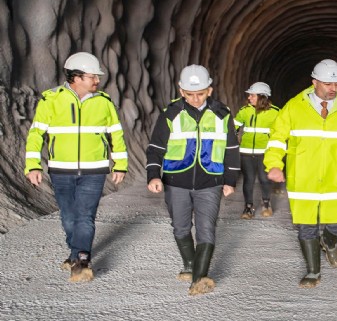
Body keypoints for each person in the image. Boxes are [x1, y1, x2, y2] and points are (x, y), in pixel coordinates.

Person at [264, 59, 337, 288]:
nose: (333, 88)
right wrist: (273, 164)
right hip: (304, 176)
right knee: (306, 225)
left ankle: (329, 243)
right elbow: (277, 138)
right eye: (328, 84)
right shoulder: (294, 107)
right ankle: (313, 271)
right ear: (314, 82)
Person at [24, 51, 128, 282]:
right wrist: (33, 166)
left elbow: (116, 136)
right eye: (93, 76)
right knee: (69, 217)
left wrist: (120, 164)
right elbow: (36, 135)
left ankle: (82, 260)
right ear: (77, 77)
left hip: (95, 170)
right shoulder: (51, 100)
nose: (97, 81)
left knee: (85, 216)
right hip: (61, 170)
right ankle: (74, 252)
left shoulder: (104, 102)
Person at [145, 64, 240, 296]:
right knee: (180, 227)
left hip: (211, 181)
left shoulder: (223, 114)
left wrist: (230, 180)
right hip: (176, 181)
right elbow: (156, 148)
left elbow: (232, 149)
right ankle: (189, 263)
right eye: (190, 94)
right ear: (181, 91)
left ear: (210, 90)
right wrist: (153, 175)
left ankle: (199, 278)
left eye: (200, 93)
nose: (195, 99)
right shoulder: (170, 114)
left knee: (207, 229)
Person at [234, 82, 280, 219]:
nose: (249, 98)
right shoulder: (245, 111)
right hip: (246, 152)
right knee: (248, 180)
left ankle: (266, 203)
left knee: (264, 179)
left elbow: (280, 132)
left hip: (265, 152)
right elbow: (234, 126)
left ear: (262, 97)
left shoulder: (275, 113)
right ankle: (248, 207)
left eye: (252, 95)